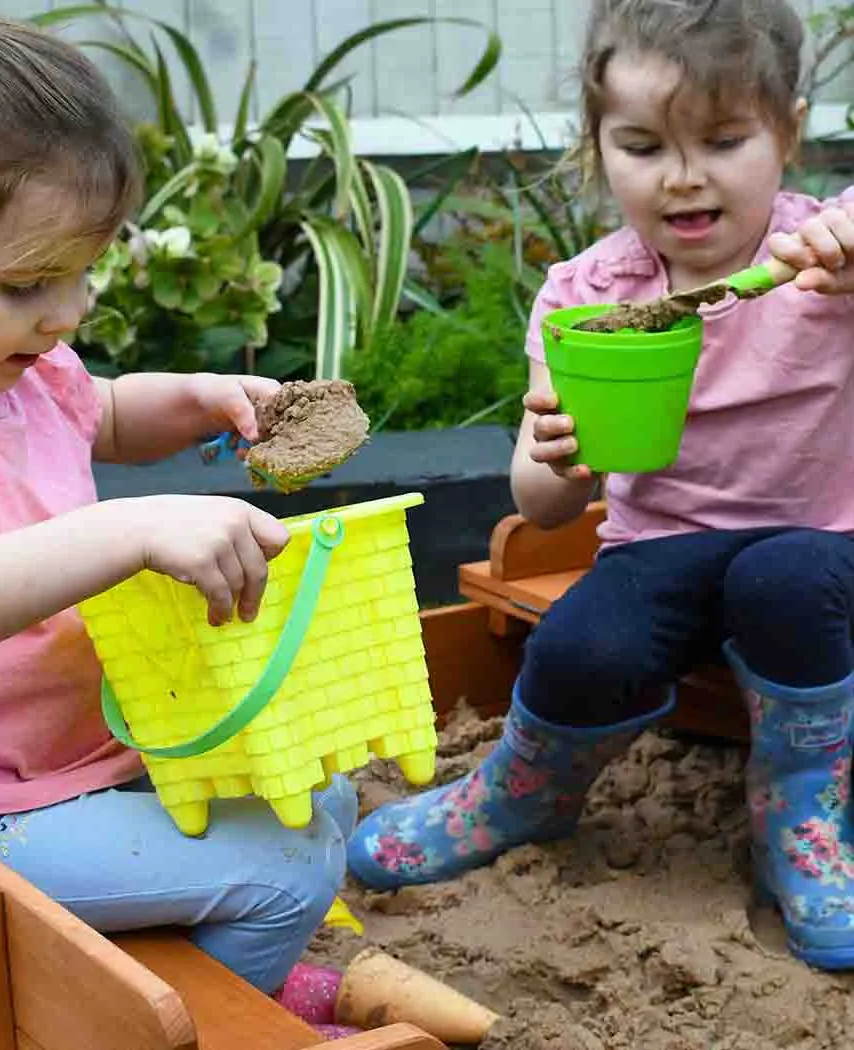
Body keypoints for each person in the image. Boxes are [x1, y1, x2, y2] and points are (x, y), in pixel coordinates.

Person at [0, 3, 357, 994]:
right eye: (27, 283)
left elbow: (94, 413)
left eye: (84, 273)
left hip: (65, 748)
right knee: (287, 864)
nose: (64, 314)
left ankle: (219, 979)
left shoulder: (11, 360)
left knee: (326, 789)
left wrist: (192, 401)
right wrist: (124, 528)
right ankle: (214, 1011)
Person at [347, 0, 854, 970]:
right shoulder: (588, 297)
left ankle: (803, 813)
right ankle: (526, 792)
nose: (683, 174)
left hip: (822, 552)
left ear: (787, 131)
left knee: (784, 579)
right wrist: (555, 457)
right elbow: (538, 509)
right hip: (659, 545)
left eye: (723, 138)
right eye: (642, 144)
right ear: (598, 146)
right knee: (584, 646)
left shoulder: (824, 264)